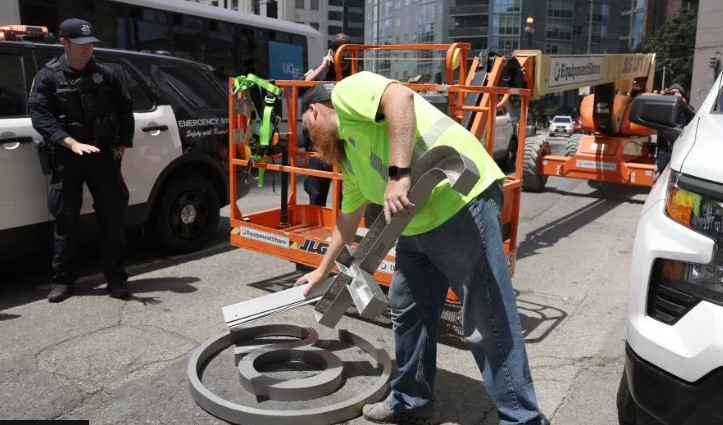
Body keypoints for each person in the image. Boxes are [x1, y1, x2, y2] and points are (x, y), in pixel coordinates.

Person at [294, 72, 547, 425]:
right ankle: (413, 402)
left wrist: (399, 175)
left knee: (485, 317)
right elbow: (347, 220)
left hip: (460, 200)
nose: (308, 137)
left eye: (306, 126)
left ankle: (522, 420)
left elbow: (400, 97)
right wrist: (322, 270)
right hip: (417, 224)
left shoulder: (345, 93)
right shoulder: (349, 157)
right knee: (407, 307)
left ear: (315, 110)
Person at [29, 18, 134, 303]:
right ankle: (63, 281)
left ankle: (116, 279)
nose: (87, 49)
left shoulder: (106, 74)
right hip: (67, 156)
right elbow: (40, 115)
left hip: (102, 154)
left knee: (112, 218)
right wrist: (71, 142)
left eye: (90, 43)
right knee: (66, 219)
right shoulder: (48, 77)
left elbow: (125, 109)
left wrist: (123, 144)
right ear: (64, 42)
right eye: (80, 44)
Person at [302, 33, 354, 207]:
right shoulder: (322, 71)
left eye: (344, 49)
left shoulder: (356, 74)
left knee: (345, 196)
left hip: (345, 143)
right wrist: (323, 66)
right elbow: (302, 85)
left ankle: (340, 230)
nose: (340, 54)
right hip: (320, 142)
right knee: (316, 190)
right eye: (335, 48)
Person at [656, 83, 696, 173]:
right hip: (664, 149)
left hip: (679, 149)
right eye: (672, 93)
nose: (674, 95)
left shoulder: (686, 108)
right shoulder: (664, 107)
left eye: (677, 93)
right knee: (661, 175)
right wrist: (659, 100)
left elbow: (693, 117)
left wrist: (682, 103)